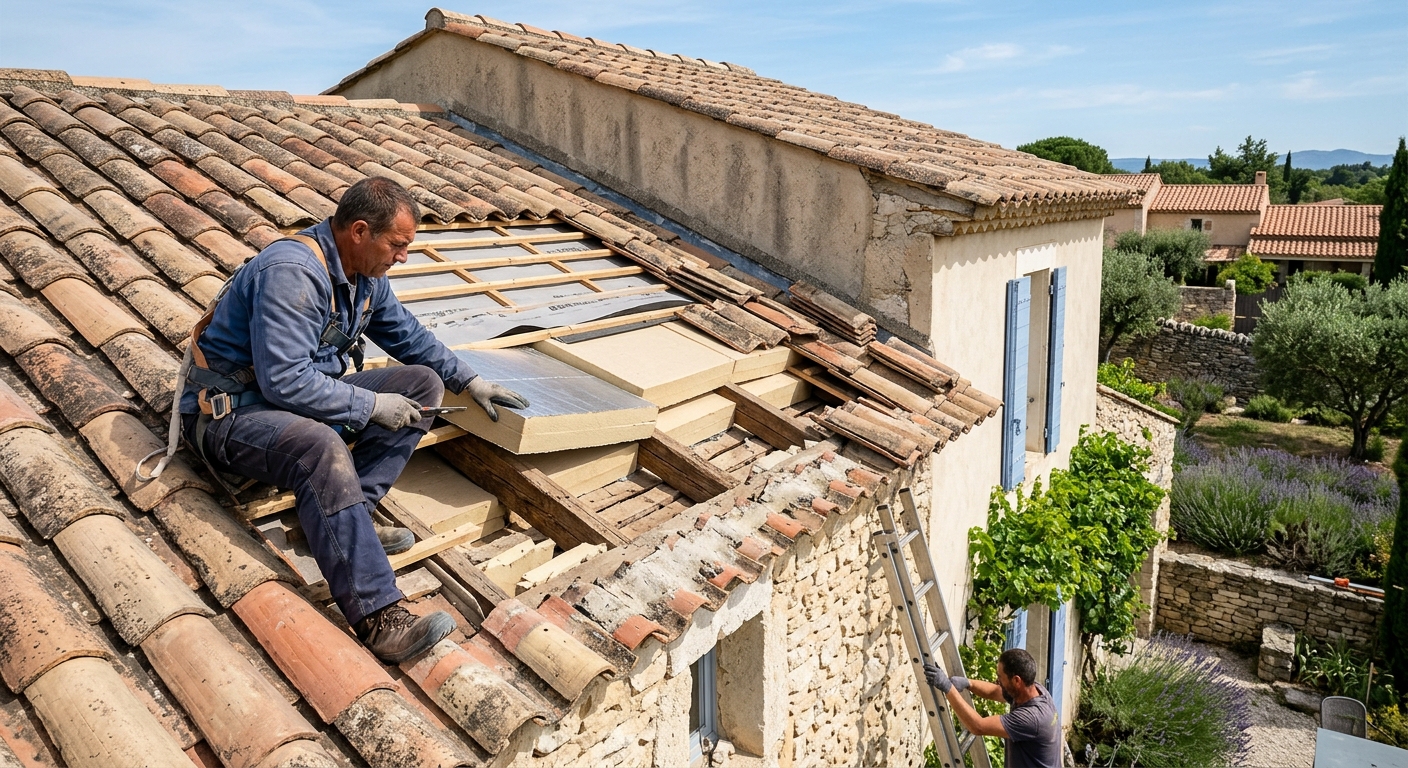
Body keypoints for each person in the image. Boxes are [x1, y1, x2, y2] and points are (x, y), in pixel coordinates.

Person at [179, 177, 528, 663]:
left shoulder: (365, 277)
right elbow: (284, 381)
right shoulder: (293, 273)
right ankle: (378, 616)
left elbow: (408, 335)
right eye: (398, 245)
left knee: (421, 385)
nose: (403, 257)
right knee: (320, 445)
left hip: (285, 402)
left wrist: (468, 382)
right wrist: (369, 407)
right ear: (360, 231)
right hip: (233, 415)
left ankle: (349, 513)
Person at [924, 649, 1061, 768]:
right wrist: (968, 683)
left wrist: (947, 687)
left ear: (1017, 680)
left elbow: (978, 726)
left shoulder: (1031, 718)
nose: (997, 680)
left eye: (1000, 677)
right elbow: (998, 692)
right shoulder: (1033, 690)